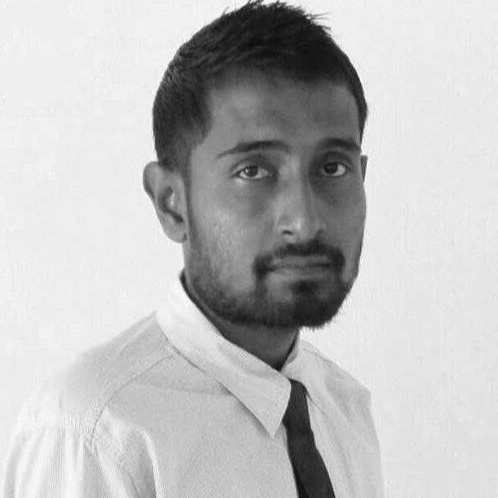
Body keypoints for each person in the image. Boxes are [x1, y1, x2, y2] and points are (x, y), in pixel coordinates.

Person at [3, 1, 384, 496]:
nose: (305, 221)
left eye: (333, 167)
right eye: (253, 171)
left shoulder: (344, 410)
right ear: (172, 203)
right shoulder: (95, 434)